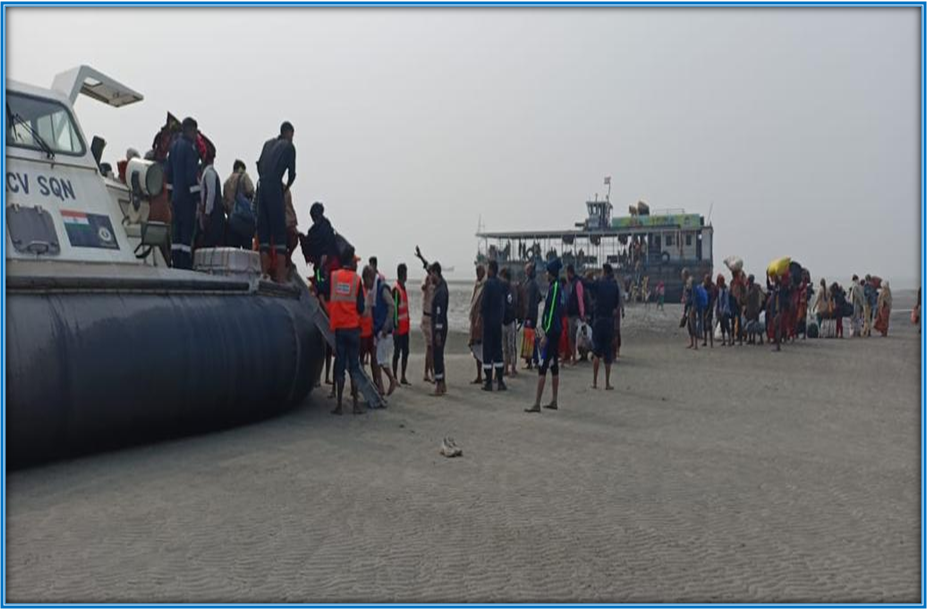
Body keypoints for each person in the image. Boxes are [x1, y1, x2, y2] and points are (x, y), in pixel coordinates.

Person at [256, 121, 296, 283]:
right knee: (280, 236)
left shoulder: (267, 144)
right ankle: (281, 279)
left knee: (264, 235)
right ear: (289, 133)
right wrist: (285, 189)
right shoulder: (289, 146)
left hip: (262, 187)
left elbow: (259, 165)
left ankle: (264, 275)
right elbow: (292, 174)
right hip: (274, 188)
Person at [329, 247, 365, 416]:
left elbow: (323, 287)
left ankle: (339, 405)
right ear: (350, 261)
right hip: (353, 329)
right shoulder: (357, 280)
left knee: (340, 367)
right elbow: (361, 307)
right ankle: (356, 405)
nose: (356, 264)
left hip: (339, 329)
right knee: (354, 367)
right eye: (355, 261)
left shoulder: (334, 277)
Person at [527, 259, 563, 413]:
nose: (546, 274)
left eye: (547, 272)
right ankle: (554, 400)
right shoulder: (554, 287)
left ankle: (537, 403)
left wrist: (545, 334)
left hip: (552, 333)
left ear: (552, 273)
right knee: (553, 366)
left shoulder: (555, 288)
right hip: (552, 330)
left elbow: (552, 312)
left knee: (542, 367)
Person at [164, 117, 201, 269]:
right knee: (186, 235)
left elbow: (169, 174)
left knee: (176, 234)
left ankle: (176, 263)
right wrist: (198, 198)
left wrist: (170, 197)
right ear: (191, 130)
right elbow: (191, 177)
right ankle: (185, 265)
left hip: (175, 199)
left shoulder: (174, 147)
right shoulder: (190, 149)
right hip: (187, 200)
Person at [584, 263, 620, 390]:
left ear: (604, 272)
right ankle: (607, 383)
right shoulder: (614, 286)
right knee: (607, 354)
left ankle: (594, 382)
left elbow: (587, 284)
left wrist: (584, 277)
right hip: (609, 321)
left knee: (596, 353)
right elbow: (616, 305)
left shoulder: (598, 283)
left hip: (598, 321)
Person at [368, 264, 398, 400]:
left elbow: (392, 305)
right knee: (375, 358)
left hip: (384, 330)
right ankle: (380, 386)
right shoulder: (372, 290)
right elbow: (368, 307)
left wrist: (387, 325)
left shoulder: (382, 288)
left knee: (380, 360)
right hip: (377, 329)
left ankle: (392, 380)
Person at [480, 260, 507, 391]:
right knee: (498, 351)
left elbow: (484, 304)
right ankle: (500, 380)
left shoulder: (488, 284)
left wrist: (481, 316)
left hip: (488, 323)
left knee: (487, 352)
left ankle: (489, 382)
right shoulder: (501, 284)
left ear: (491, 270)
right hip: (498, 323)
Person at [222, 159, 256, 249]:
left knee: (233, 252)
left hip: (231, 224)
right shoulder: (244, 176)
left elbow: (224, 204)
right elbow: (252, 192)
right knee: (246, 253)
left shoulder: (226, 183)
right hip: (244, 221)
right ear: (241, 168)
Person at [415, 246, 436, 383]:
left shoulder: (436, 283)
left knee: (430, 347)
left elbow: (427, 265)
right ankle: (430, 372)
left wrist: (421, 256)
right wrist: (421, 256)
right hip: (427, 317)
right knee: (430, 346)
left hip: (432, 318)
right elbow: (423, 287)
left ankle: (427, 372)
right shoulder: (427, 280)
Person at [197, 146, 225, 248]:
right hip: (213, 217)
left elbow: (210, 194)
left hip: (213, 217)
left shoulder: (209, 173)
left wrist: (207, 213)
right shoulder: (209, 173)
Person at [431, 263, 449, 397]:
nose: (430, 277)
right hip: (439, 325)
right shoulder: (440, 286)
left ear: (436, 273)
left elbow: (439, 312)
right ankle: (442, 383)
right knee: (439, 355)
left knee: (437, 355)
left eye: (431, 274)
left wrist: (438, 331)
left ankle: (439, 385)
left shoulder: (441, 291)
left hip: (440, 326)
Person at [392, 263, 412, 386]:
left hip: (405, 328)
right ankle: (394, 377)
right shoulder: (396, 289)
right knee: (397, 353)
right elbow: (394, 310)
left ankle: (403, 376)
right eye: (406, 273)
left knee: (406, 352)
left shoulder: (403, 288)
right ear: (403, 274)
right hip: (398, 328)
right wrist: (395, 326)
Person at [520, 262, 542, 370]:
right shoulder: (532, 283)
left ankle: (532, 361)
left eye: (527, 270)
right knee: (531, 337)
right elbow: (539, 298)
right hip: (532, 314)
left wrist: (527, 313)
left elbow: (529, 301)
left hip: (530, 315)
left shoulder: (531, 284)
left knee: (530, 338)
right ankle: (533, 360)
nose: (525, 271)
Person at [565, 264, 586, 366]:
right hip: (570, 313)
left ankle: (574, 357)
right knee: (572, 336)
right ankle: (573, 356)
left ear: (569, 272)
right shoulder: (571, 283)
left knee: (573, 336)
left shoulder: (577, 283)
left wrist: (582, 313)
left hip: (575, 314)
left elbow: (580, 298)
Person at [469, 265, 487, 385]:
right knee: (476, 348)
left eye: (479, 272)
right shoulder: (477, 284)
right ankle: (479, 375)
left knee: (484, 348)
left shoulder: (485, 286)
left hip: (481, 322)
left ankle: (487, 374)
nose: (477, 274)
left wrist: (479, 319)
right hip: (474, 320)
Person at [500, 268, 519, 378]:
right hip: (505, 321)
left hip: (510, 320)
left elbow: (513, 303)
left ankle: (512, 368)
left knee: (510, 346)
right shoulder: (506, 289)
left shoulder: (511, 289)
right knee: (505, 346)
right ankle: (506, 368)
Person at [744, 274, 765, 345]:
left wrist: (757, 309)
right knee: (750, 324)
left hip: (754, 309)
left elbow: (755, 298)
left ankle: (759, 339)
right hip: (749, 308)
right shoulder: (748, 288)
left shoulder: (755, 288)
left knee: (756, 324)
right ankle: (750, 339)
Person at [716, 275, 732, 346]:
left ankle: (729, 339)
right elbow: (719, 300)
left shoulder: (726, 290)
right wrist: (718, 310)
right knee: (722, 326)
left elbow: (726, 302)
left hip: (725, 311)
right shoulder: (720, 290)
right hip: (720, 310)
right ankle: (724, 340)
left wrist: (723, 311)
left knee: (726, 325)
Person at [702, 274, 716, 348]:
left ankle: (711, 342)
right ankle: (705, 341)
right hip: (704, 308)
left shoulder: (711, 289)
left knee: (709, 325)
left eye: (707, 280)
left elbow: (712, 302)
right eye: (705, 279)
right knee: (704, 325)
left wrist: (709, 311)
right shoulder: (703, 287)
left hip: (709, 309)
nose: (706, 281)